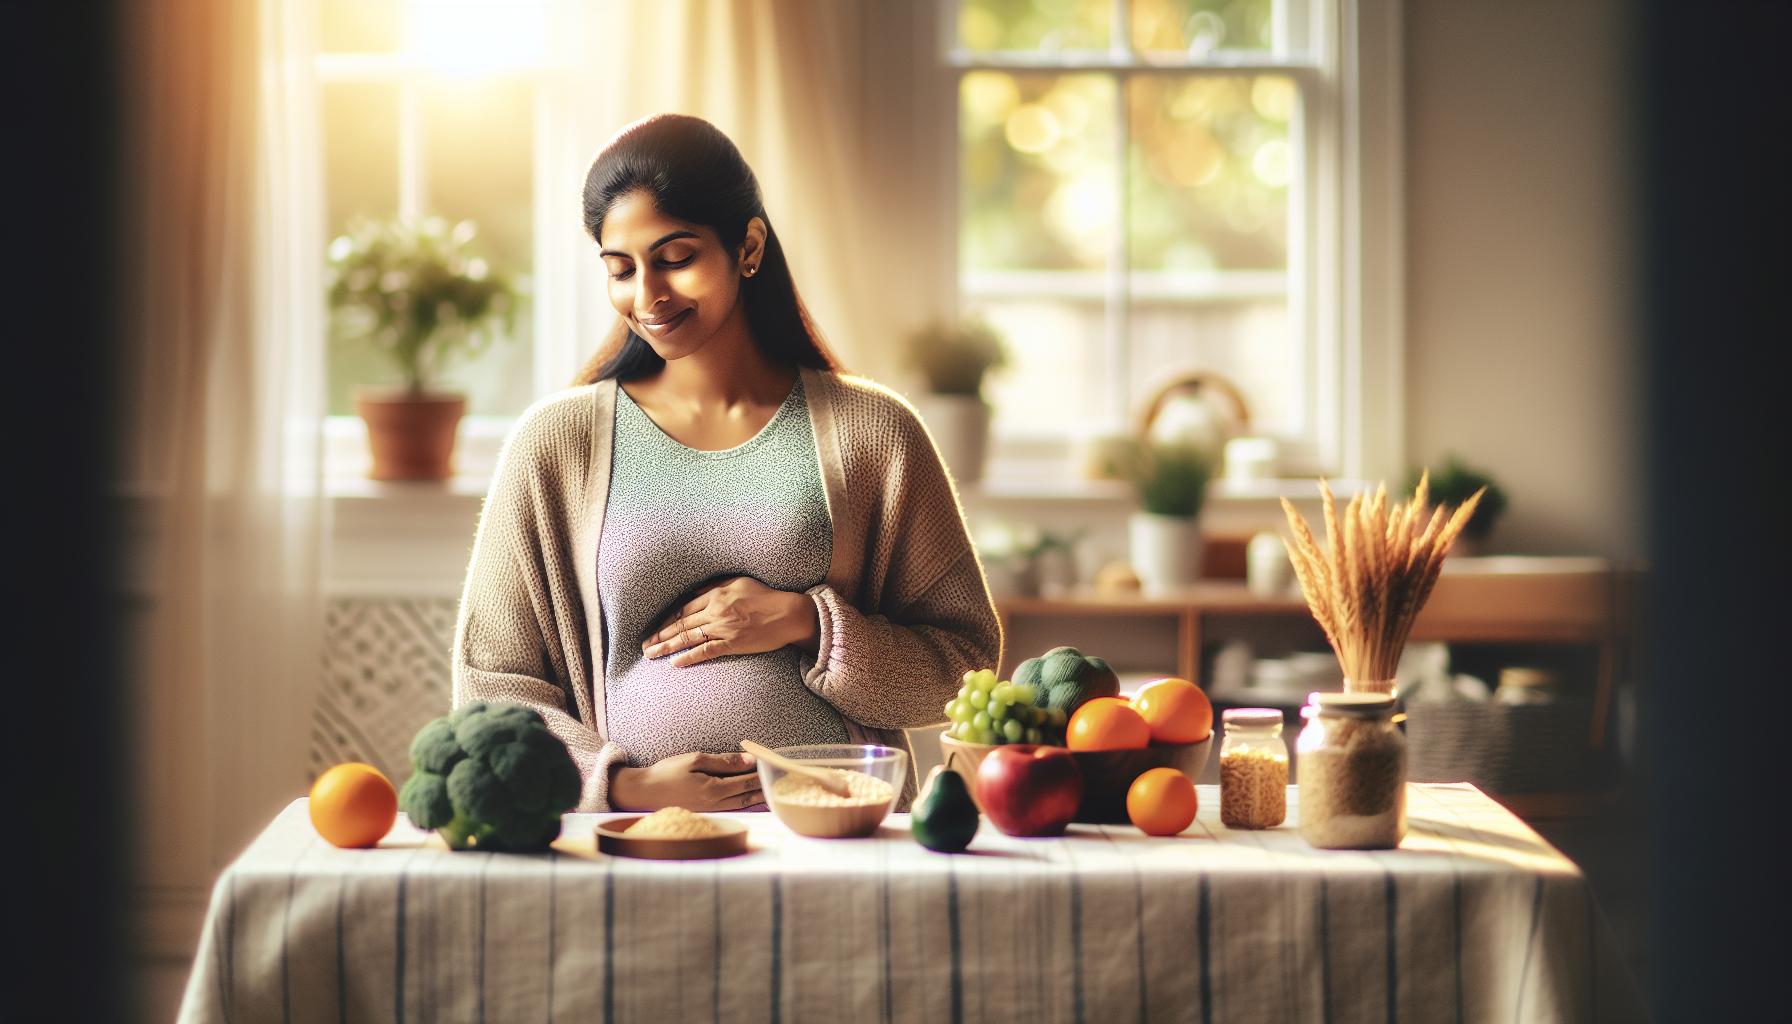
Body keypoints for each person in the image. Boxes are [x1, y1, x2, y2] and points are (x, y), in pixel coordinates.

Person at [451, 113, 1002, 813]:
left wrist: (809, 623)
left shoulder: (874, 433)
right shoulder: (554, 445)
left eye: (675, 258)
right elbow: (491, 686)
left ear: (748, 247)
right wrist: (620, 785)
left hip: (840, 831)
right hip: (639, 837)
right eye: (621, 269)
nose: (647, 296)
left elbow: (964, 664)